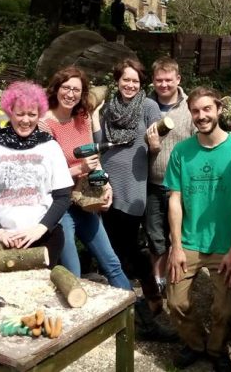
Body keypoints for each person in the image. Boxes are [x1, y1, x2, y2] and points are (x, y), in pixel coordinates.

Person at [165, 87, 231, 372]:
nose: (201, 116)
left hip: (225, 244)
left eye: (207, 109)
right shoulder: (181, 151)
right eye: (195, 111)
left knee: (225, 310)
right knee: (176, 303)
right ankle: (195, 345)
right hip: (189, 242)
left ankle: (216, 350)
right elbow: (175, 200)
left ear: (219, 110)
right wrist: (176, 247)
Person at [95, 58, 175, 341]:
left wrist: (154, 145)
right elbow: (100, 142)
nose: (130, 85)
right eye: (125, 80)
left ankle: (147, 299)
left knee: (129, 246)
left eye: (135, 81)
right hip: (107, 185)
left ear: (142, 84)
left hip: (134, 185)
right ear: (117, 80)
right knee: (115, 246)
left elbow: (156, 144)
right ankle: (130, 305)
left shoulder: (149, 107)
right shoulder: (107, 108)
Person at [0, 81, 72, 266]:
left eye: (32, 114)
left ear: (39, 114)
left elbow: (63, 197)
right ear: (10, 112)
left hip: (43, 238)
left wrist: (40, 229)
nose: (26, 120)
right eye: (20, 114)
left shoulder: (50, 147)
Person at [40, 67, 129, 286]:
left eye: (76, 90)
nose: (70, 94)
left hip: (85, 200)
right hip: (60, 207)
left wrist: (105, 184)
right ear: (56, 89)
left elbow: (94, 158)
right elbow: (43, 176)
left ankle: (131, 315)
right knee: (73, 274)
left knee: (112, 263)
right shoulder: (44, 124)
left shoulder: (83, 117)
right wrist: (79, 169)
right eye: (66, 88)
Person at [145, 56, 196, 297]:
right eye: (159, 80)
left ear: (178, 79)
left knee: (183, 235)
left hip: (183, 185)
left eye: (168, 80)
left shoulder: (189, 107)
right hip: (153, 183)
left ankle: (181, 279)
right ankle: (159, 283)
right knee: (156, 237)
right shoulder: (145, 106)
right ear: (153, 81)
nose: (164, 85)